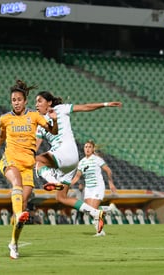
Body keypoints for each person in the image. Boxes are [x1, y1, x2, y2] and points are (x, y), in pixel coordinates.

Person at [0, 80, 58, 259]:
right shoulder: (5, 119)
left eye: (18, 99)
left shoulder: (34, 116)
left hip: (27, 165)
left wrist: (54, 121)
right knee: (15, 184)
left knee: (23, 204)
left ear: (25, 101)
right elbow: (1, 137)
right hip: (10, 160)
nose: (15, 102)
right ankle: (18, 214)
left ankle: (14, 243)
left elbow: (53, 132)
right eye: (13, 100)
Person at [35, 90, 122, 234]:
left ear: (49, 102)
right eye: (36, 102)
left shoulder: (60, 109)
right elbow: (35, 147)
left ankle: (52, 179)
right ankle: (95, 213)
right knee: (61, 198)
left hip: (64, 151)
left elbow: (86, 107)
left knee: (36, 161)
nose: (36, 105)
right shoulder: (39, 125)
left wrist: (105, 104)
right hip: (70, 162)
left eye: (39, 101)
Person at [71, 140, 117, 236]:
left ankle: (99, 231)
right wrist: (67, 185)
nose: (87, 149)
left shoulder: (97, 159)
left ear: (92, 149)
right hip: (88, 188)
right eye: (86, 147)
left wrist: (111, 183)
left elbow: (108, 170)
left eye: (89, 147)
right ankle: (108, 211)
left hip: (98, 186)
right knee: (89, 210)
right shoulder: (82, 162)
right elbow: (77, 177)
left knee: (93, 208)